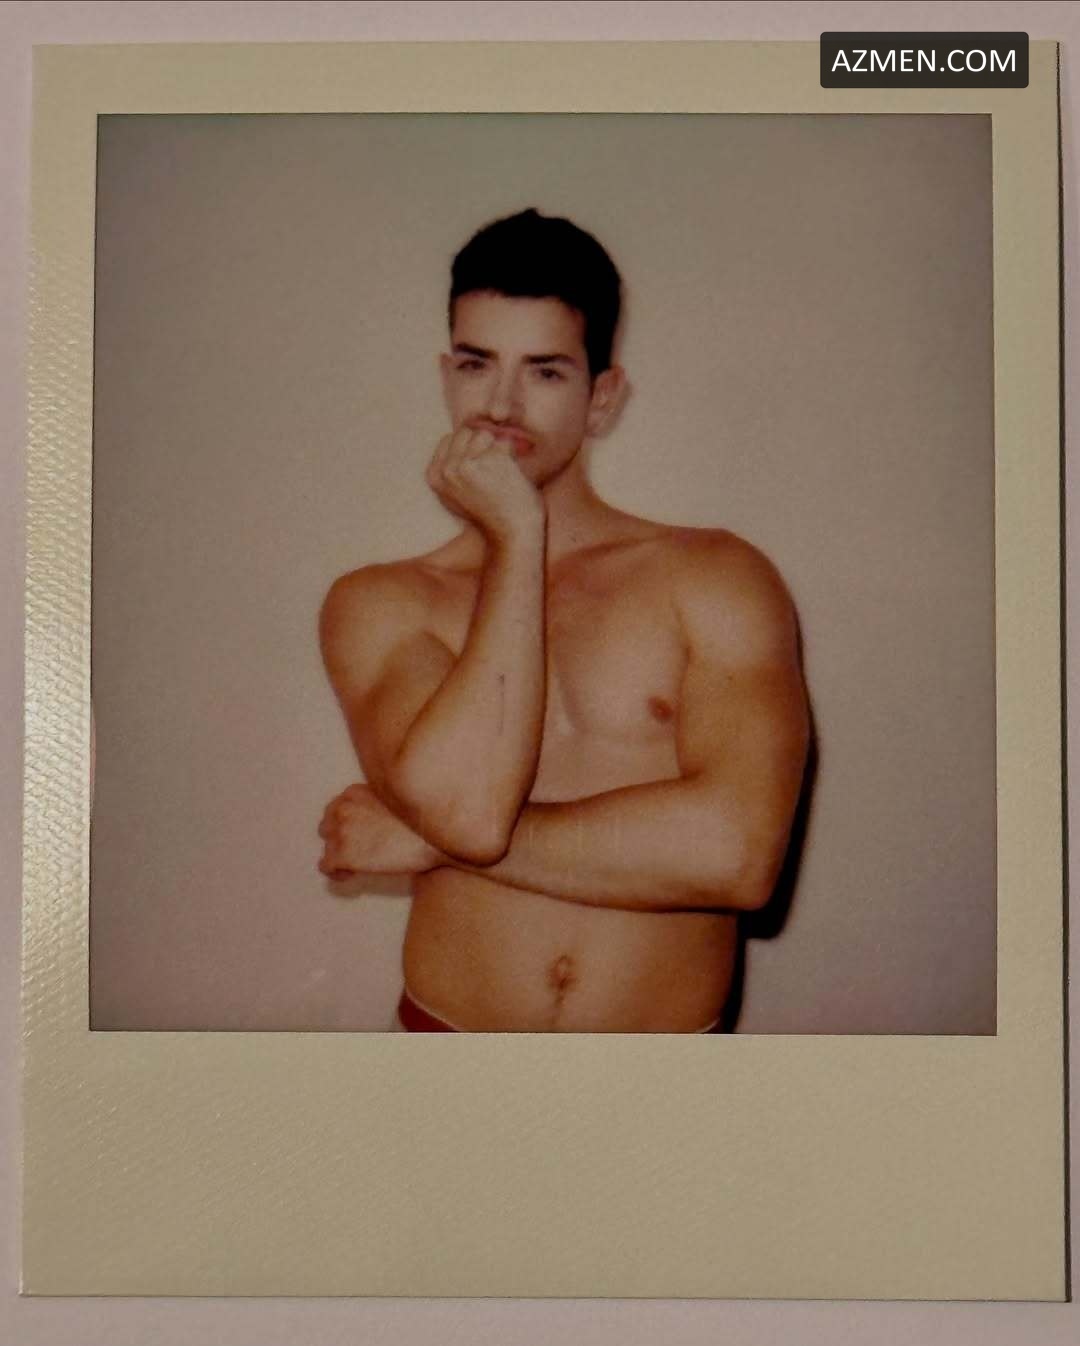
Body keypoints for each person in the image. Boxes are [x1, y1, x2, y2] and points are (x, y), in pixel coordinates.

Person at [316, 208, 810, 1033]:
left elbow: (737, 856)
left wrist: (429, 844)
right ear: (447, 376)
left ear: (601, 398)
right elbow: (470, 811)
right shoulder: (380, 602)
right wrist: (517, 539)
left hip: (663, 1076)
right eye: (476, 364)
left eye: (545, 372)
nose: (501, 404)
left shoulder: (715, 577)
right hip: (445, 1052)